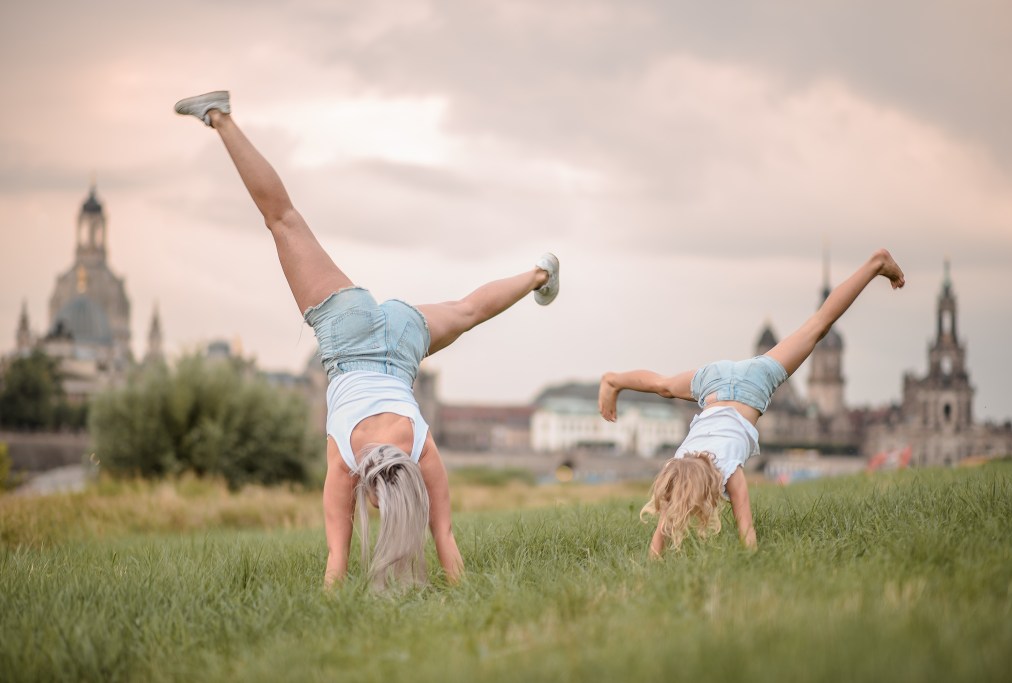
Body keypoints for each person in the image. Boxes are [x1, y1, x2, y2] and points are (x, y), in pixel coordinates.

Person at [174, 91, 560, 589]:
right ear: (374, 491)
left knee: (467, 311)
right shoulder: (344, 461)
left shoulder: (423, 451)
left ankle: (537, 274)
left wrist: (460, 592)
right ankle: (219, 116)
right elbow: (336, 565)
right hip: (348, 335)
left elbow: (445, 537)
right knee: (281, 220)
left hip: (400, 342)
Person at [598, 249, 904, 556]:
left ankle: (876, 262)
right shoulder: (679, 464)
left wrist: (750, 562)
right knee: (662, 385)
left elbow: (747, 532)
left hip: (751, 384)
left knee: (818, 326)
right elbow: (662, 532)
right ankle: (614, 380)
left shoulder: (729, 471)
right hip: (714, 383)